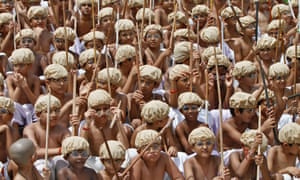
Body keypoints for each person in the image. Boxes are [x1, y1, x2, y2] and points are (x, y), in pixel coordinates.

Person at [80, 89, 129, 172]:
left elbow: (125, 147)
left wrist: (118, 122)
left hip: (114, 160)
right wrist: (86, 125)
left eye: (105, 109)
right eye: (98, 110)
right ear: (90, 110)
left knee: (130, 153)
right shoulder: (87, 124)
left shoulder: (114, 123)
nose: (102, 113)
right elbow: (81, 150)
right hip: (96, 162)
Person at [220, 92, 258, 161]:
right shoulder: (226, 125)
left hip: (242, 154)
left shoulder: (247, 121)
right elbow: (244, 141)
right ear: (237, 111)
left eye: (253, 110)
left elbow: (260, 134)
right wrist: (264, 127)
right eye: (249, 111)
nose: (252, 114)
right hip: (226, 157)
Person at [0, 96, 19, 179]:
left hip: (5, 167)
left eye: (3, 111)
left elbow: (11, 155)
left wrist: (6, 130)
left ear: (11, 116)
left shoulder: (13, 130)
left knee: (15, 164)